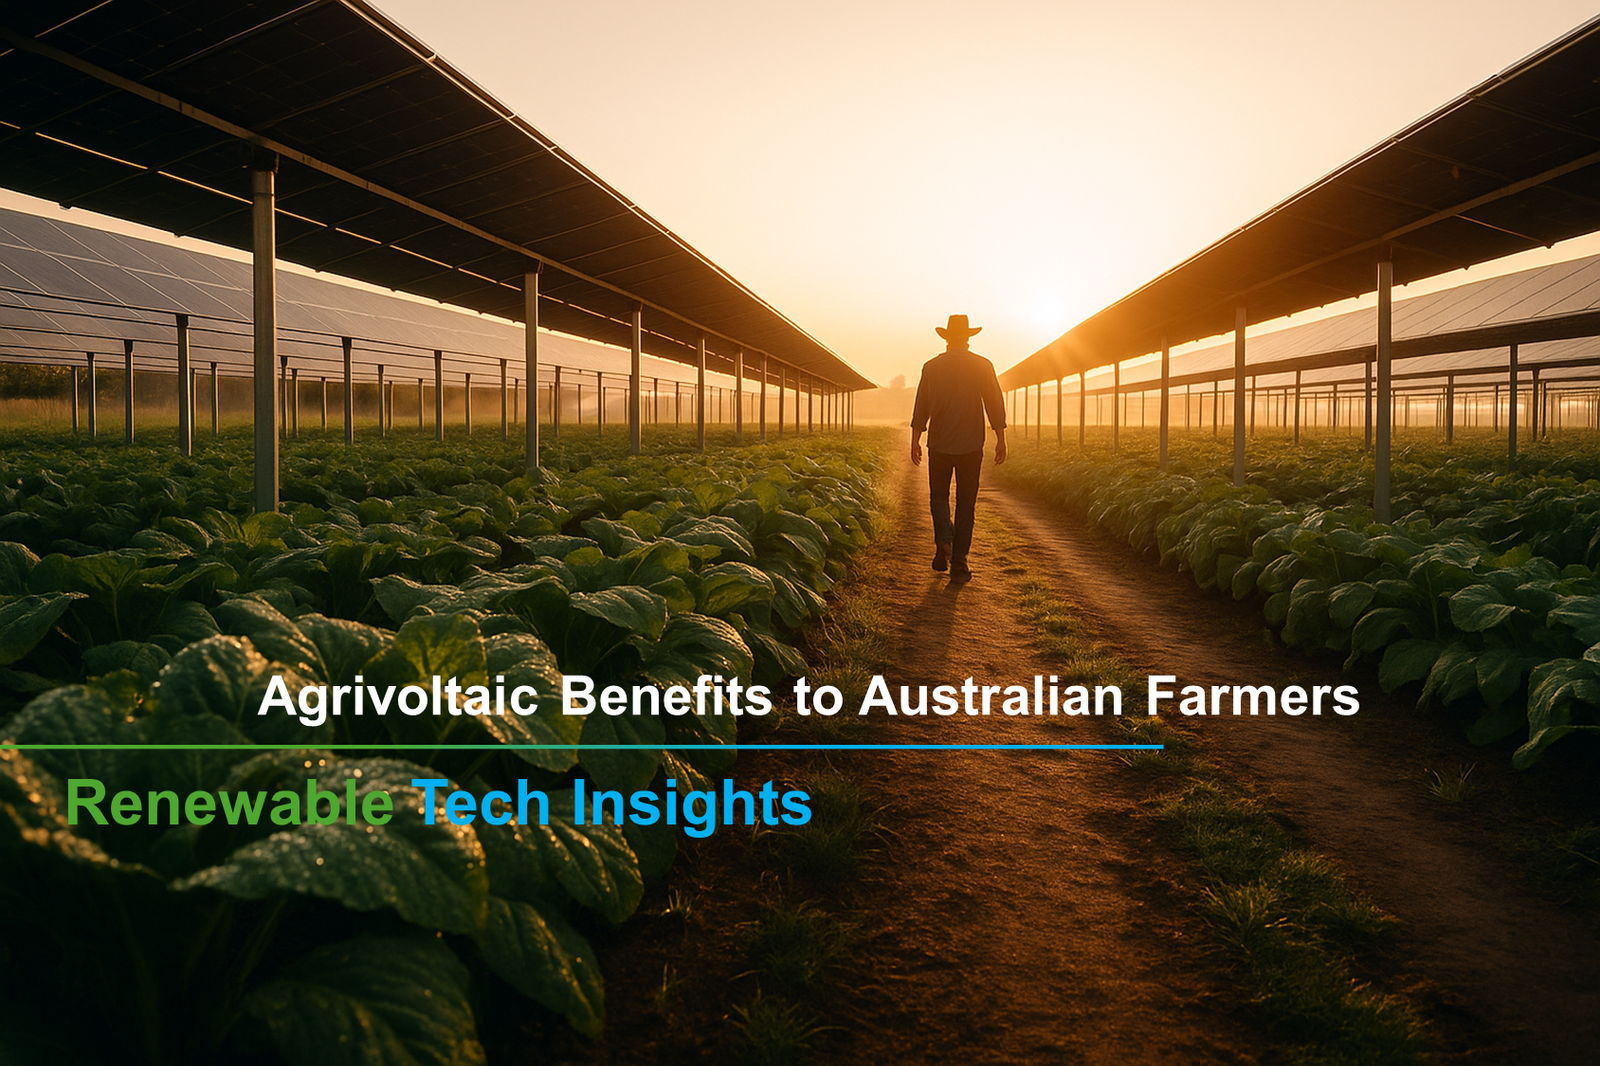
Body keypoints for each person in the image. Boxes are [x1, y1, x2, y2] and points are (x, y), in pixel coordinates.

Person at [909, 314, 1007, 581]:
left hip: (939, 444)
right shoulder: (983, 365)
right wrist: (1001, 437)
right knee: (966, 503)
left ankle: (944, 539)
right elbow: (994, 402)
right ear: (968, 338)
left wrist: (915, 439)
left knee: (938, 497)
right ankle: (960, 561)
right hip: (971, 445)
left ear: (946, 339)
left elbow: (922, 405)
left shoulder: (931, 367)